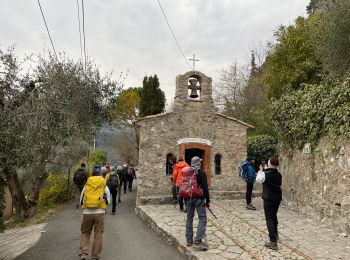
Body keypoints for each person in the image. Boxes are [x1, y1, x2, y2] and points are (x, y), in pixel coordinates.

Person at [79, 166, 110, 260]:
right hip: (100, 212)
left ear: (92, 174)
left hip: (87, 212)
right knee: (98, 235)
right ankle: (95, 256)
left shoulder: (87, 185)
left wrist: (85, 208)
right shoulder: (104, 184)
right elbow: (108, 200)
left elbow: (81, 199)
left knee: (85, 233)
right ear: (101, 174)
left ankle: (84, 253)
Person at [256, 156, 282, 250]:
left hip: (269, 198)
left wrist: (260, 170)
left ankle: (273, 241)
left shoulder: (265, 174)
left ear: (269, 163)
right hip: (277, 198)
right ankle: (275, 234)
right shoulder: (279, 174)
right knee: (274, 216)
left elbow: (258, 180)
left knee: (269, 219)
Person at [185, 156, 210, 251]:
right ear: (198, 163)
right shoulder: (201, 173)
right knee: (203, 218)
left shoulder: (187, 172)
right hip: (199, 199)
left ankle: (189, 240)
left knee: (189, 218)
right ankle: (197, 241)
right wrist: (207, 201)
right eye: (200, 162)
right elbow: (205, 188)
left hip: (189, 198)